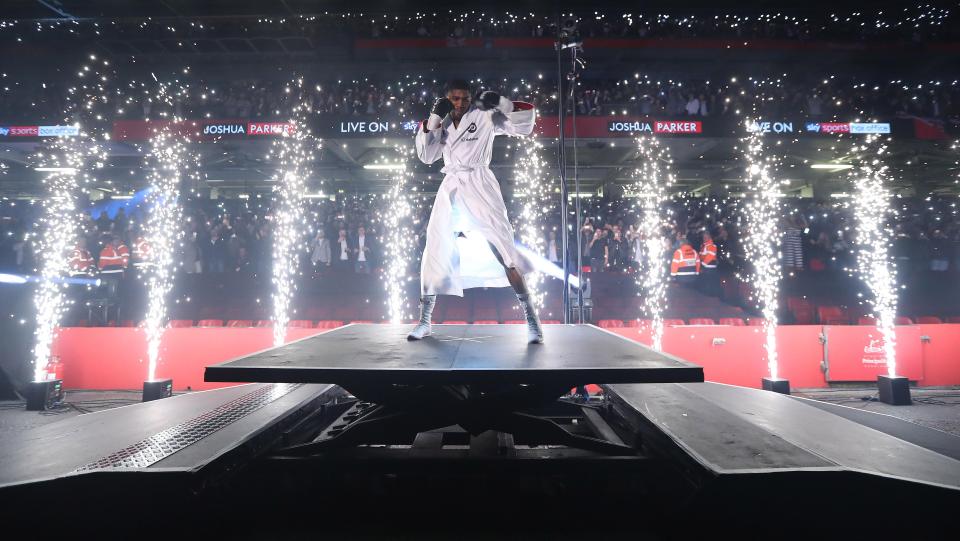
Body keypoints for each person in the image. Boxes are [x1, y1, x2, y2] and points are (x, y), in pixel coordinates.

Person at [409, 79, 542, 343]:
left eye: (464, 99)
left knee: (504, 251)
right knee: (434, 249)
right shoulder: (443, 123)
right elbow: (426, 156)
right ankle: (424, 322)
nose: (460, 104)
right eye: (454, 99)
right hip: (451, 188)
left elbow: (524, 125)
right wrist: (435, 116)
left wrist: (500, 101)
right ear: (447, 100)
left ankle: (532, 322)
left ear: (471, 99)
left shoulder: (484, 115)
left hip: (480, 184)